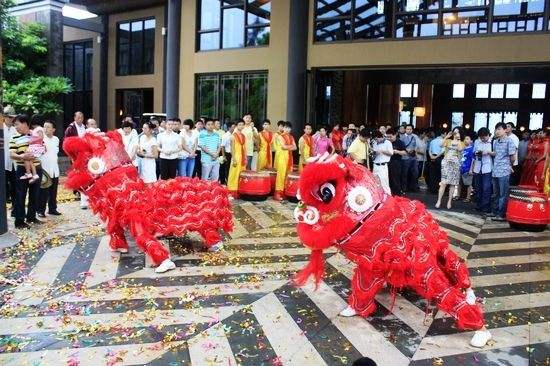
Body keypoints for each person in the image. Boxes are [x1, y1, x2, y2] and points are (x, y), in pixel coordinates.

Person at [9, 114, 43, 229]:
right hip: (21, 169)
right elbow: (12, 154)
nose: (16, 127)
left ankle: (31, 217)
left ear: (25, 123)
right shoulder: (14, 138)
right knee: (20, 194)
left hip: (36, 168)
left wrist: (35, 153)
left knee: (35, 194)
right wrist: (22, 156)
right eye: (14, 125)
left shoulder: (35, 135)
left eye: (17, 124)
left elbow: (43, 149)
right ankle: (19, 221)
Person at [490, 122, 516, 220]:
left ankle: (501, 214)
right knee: (496, 193)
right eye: (496, 129)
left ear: (505, 130)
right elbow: (495, 153)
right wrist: (488, 152)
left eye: (499, 129)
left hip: (504, 171)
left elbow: (513, 157)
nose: (497, 131)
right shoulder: (495, 141)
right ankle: (495, 212)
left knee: (503, 194)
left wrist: (510, 166)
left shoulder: (510, 141)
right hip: (495, 170)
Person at [37, 120, 61, 217]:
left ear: (53, 129)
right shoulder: (41, 139)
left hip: (54, 168)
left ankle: (52, 209)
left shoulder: (56, 139)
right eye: (44, 127)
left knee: (53, 191)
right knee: (43, 191)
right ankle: (40, 210)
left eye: (48, 127)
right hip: (44, 169)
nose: (45, 129)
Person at [436, 129, 464, 209]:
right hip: (446, 162)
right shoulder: (448, 140)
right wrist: (446, 137)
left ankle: (449, 202)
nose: (456, 133)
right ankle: (439, 200)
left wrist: (458, 140)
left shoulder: (461, 142)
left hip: (455, 163)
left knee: (452, 183)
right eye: (454, 132)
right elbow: (440, 145)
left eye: (458, 132)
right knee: (443, 182)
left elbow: (460, 149)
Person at [274, 122, 297, 201]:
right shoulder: (280, 136)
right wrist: (291, 146)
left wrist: (289, 147)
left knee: (287, 175)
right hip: (282, 158)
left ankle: (285, 192)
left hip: (289, 158)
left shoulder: (291, 137)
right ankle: (278, 193)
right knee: (281, 175)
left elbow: (295, 148)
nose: (288, 129)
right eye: (286, 127)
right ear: (283, 128)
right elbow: (283, 147)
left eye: (289, 128)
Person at [472, 128, 493, 214]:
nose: (483, 139)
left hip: (487, 168)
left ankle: (486, 207)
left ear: (488, 135)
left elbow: (495, 153)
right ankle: (478, 205)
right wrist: (477, 152)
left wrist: (487, 152)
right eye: (481, 137)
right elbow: (473, 152)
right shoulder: (477, 141)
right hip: (477, 167)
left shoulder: (493, 142)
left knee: (486, 188)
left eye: (484, 137)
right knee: (478, 188)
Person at [227, 119, 247, 197]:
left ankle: (239, 190)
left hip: (242, 157)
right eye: (239, 125)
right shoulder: (232, 136)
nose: (241, 126)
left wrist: (245, 157)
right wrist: (234, 159)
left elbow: (244, 147)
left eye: (242, 125)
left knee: (241, 174)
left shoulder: (243, 136)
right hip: (236, 157)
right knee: (234, 174)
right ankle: (232, 191)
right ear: (236, 126)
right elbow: (232, 149)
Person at [371, 130, 393, 195]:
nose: (376, 140)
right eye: (375, 139)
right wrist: (374, 153)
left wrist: (382, 151)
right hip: (375, 165)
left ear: (380, 137)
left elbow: (391, 153)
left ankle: (388, 198)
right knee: (375, 183)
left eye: (376, 139)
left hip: (383, 166)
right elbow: (373, 156)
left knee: (384, 183)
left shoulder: (387, 142)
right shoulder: (375, 143)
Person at [3, 106, 17, 206]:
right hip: (3, 160)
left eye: (12, 117)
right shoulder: (1, 128)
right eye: (9, 117)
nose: (10, 119)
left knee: (14, 184)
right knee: (3, 184)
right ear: (4, 117)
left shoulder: (15, 130)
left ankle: (14, 206)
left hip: (13, 161)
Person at [386, 128, 406, 196]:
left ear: (395, 135)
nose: (389, 138)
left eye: (390, 136)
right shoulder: (386, 142)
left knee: (395, 180)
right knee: (387, 179)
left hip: (396, 163)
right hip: (386, 163)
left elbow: (404, 152)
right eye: (387, 137)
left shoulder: (400, 142)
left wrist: (396, 151)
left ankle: (397, 195)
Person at [400, 124, 418, 193]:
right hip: (405, 157)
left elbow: (415, 146)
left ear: (412, 130)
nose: (409, 130)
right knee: (404, 173)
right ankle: (404, 188)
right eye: (407, 129)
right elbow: (401, 146)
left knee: (415, 173)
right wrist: (407, 149)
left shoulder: (414, 137)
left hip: (413, 157)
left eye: (410, 129)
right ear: (405, 130)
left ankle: (413, 187)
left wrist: (413, 150)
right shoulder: (402, 137)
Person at [428, 129, 445, 194]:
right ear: (442, 134)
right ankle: (438, 189)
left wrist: (431, 156)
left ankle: (432, 189)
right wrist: (437, 157)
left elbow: (429, 150)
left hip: (432, 157)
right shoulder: (443, 141)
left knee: (432, 174)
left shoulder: (432, 141)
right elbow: (443, 151)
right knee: (439, 174)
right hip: (440, 158)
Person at [460, 135, 475, 202]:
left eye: (467, 139)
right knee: (459, 183)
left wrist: (471, 169)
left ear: (471, 141)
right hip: (461, 168)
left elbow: (473, 160)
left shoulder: (472, 149)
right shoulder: (463, 149)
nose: (465, 140)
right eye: (465, 139)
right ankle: (458, 195)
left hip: (468, 168)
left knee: (469, 184)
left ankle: (468, 197)